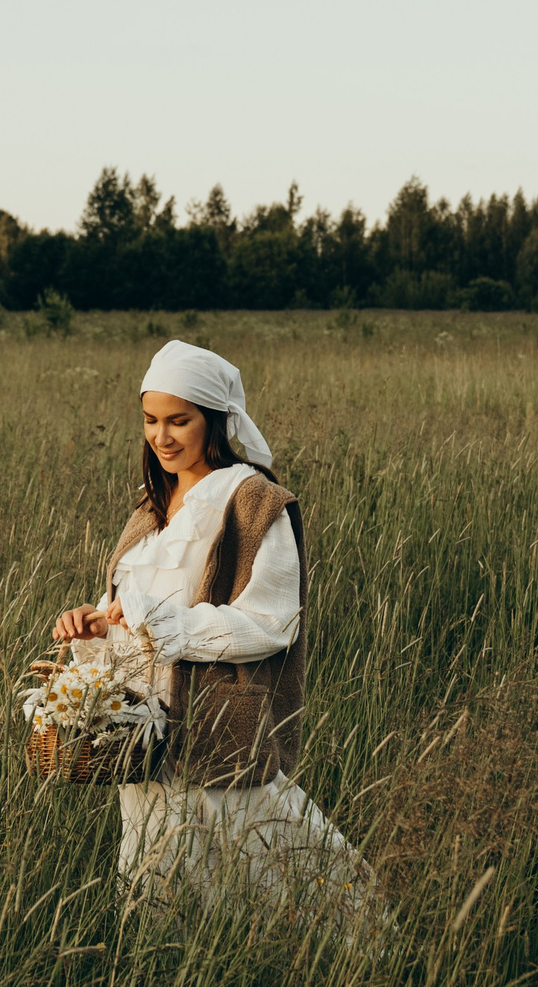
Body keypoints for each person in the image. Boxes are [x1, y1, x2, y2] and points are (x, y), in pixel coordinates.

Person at [49, 339, 388, 940]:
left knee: (271, 862)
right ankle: (171, 986)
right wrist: (93, 623)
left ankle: (350, 972)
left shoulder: (253, 502)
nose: (162, 435)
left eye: (180, 420)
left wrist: (162, 625)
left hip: (216, 727)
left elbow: (272, 621)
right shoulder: (150, 508)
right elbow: (127, 612)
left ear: (217, 421)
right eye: (151, 420)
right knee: (156, 873)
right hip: (143, 739)